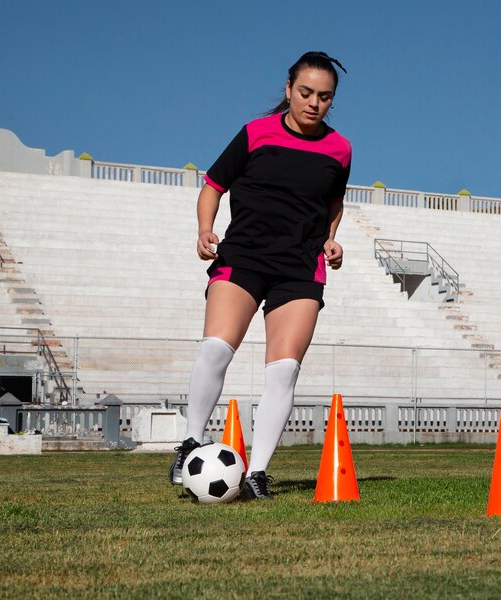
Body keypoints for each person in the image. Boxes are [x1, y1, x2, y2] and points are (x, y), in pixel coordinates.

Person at [169, 51, 352, 500]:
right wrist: (204, 229)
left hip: (299, 268)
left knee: (283, 370)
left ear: (332, 101)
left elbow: (333, 204)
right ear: (289, 89)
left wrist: (331, 239)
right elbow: (213, 184)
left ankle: (258, 473)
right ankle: (191, 443)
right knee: (215, 348)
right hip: (244, 257)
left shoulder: (340, 149)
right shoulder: (255, 133)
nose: (313, 103)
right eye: (305, 92)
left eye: (324, 97)